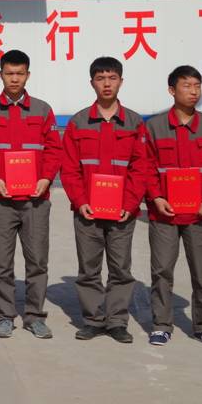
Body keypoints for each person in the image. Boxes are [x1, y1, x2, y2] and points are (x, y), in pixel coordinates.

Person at [145, 65, 202, 348]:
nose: (193, 91)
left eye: (197, 85)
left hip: (201, 214)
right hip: (165, 214)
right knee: (162, 271)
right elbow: (145, 167)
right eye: (186, 85)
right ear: (172, 90)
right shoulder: (154, 127)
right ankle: (161, 325)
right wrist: (156, 197)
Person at [60, 57, 148, 344]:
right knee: (89, 268)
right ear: (92, 83)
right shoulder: (78, 122)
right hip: (88, 210)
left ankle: (117, 321)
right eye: (100, 78)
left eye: (112, 78)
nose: (107, 84)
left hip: (122, 211)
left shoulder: (134, 122)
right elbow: (69, 167)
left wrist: (130, 204)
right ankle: (94, 320)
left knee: (121, 268)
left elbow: (141, 168)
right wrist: (80, 200)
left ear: (121, 81)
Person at [0, 49, 62, 339]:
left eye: (20, 73)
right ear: (1, 75)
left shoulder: (42, 110)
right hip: (0, 200)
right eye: (9, 73)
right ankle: (5, 316)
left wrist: (46, 179)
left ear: (28, 75)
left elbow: (54, 150)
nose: (14, 78)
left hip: (35, 200)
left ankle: (35, 316)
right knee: (1, 262)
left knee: (37, 261)